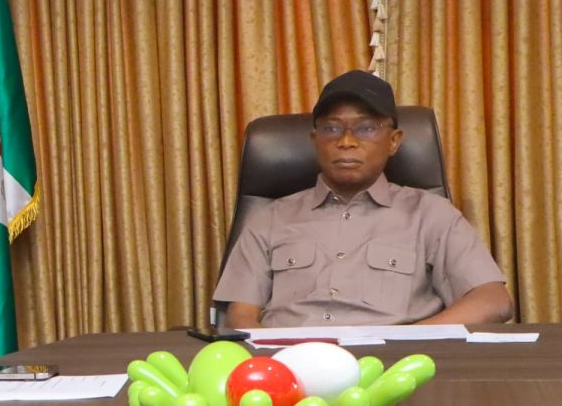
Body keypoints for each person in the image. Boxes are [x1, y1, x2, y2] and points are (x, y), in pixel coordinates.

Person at [215, 69, 513, 328]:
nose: (346, 141)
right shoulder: (270, 218)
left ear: (394, 141)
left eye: (366, 128)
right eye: (331, 128)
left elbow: (493, 300)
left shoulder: (431, 214)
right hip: (293, 364)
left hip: (394, 363)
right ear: (315, 141)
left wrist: (409, 339)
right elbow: (239, 316)